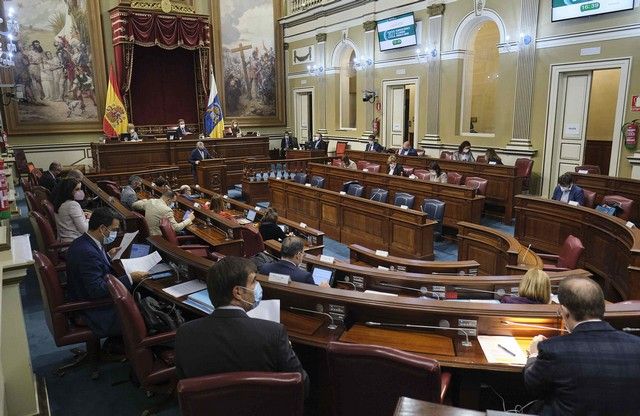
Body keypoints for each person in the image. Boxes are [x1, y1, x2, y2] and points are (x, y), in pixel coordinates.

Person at [175, 256, 310, 395]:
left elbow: (183, 383)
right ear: (238, 292)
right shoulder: (274, 333)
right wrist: (286, 347)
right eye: (254, 281)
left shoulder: (184, 333)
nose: (258, 286)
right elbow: (301, 386)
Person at [524, 276, 640, 415]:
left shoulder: (554, 349)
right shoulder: (636, 345)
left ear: (565, 312)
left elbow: (532, 385)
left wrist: (534, 354)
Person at [66, 207, 147, 338]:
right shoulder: (87, 253)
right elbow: (96, 290)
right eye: (114, 229)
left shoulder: (84, 242)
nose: (115, 233)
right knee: (146, 310)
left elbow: (93, 267)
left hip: (86, 297)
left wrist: (107, 256)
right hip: (94, 309)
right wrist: (131, 278)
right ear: (103, 228)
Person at [259, 236, 329, 287]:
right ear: (298, 255)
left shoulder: (265, 268)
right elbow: (314, 296)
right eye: (303, 253)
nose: (302, 256)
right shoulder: (304, 276)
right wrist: (321, 288)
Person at [53, 178, 89, 243]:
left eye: (80, 189)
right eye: (77, 189)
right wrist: (89, 219)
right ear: (69, 190)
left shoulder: (60, 202)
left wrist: (82, 215)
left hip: (66, 240)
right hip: (75, 243)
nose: (80, 192)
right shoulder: (72, 205)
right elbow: (84, 229)